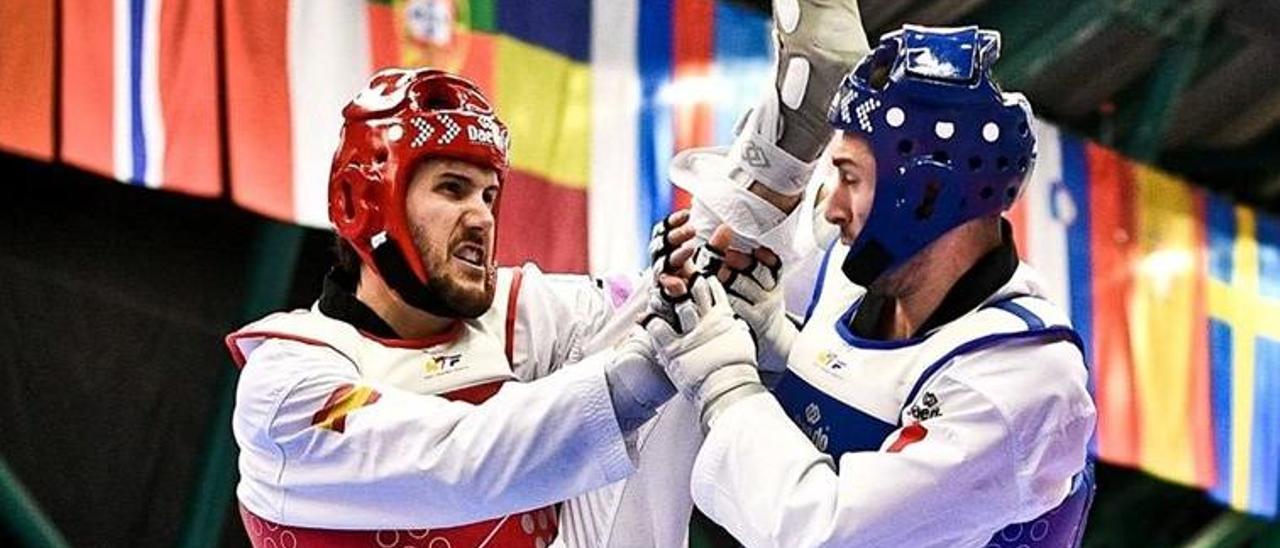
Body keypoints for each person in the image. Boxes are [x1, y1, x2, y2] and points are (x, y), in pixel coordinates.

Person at [645, 25, 1097, 547]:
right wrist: (769, 342)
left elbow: (829, 533)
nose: (832, 208)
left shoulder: (1024, 378)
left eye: (850, 178)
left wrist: (723, 377)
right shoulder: (853, 279)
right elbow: (865, 403)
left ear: (928, 193)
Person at [226, 68, 688, 547]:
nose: (482, 218)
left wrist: (737, 220)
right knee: (649, 360)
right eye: (452, 188)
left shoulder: (522, 315)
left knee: (692, 314)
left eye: (489, 195)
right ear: (359, 202)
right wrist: (640, 375)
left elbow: (654, 303)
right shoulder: (286, 383)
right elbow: (455, 462)